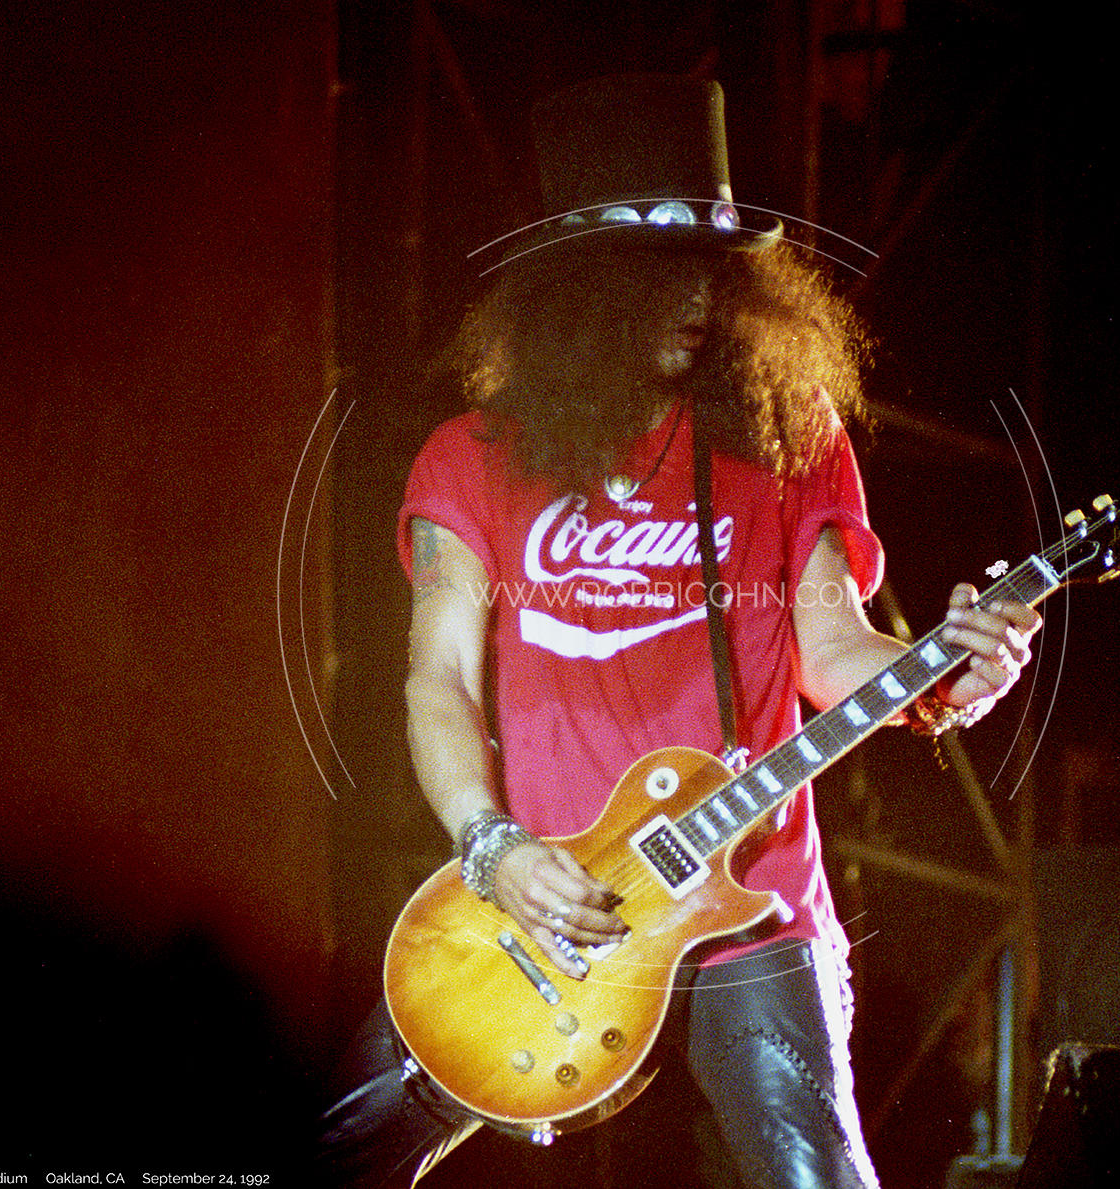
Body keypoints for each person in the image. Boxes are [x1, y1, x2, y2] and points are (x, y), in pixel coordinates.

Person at [316, 74, 1040, 1188]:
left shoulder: (787, 438)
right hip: (538, 907)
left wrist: (947, 673)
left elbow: (835, 652)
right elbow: (438, 680)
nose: (698, 299)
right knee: (337, 1151)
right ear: (579, 291)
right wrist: (491, 845)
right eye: (661, 274)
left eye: (714, 271)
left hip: (750, 906)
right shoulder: (470, 458)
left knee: (819, 1174)